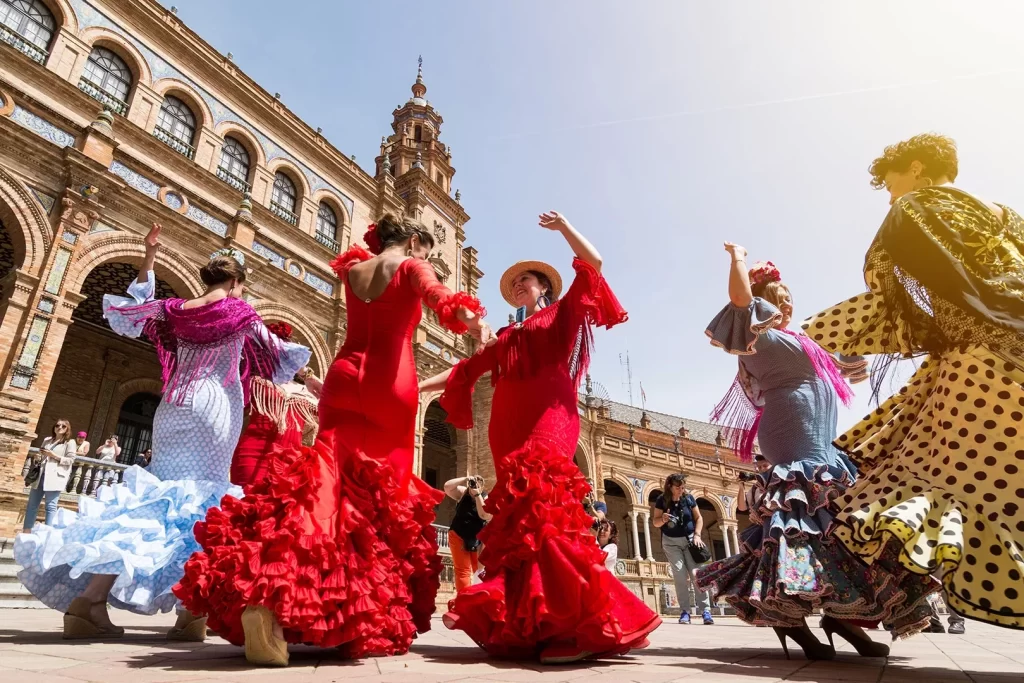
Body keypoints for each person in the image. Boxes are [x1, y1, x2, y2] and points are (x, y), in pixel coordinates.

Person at [174, 214, 490, 666]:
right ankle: (349, 609)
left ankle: (269, 597)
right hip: (390, 382)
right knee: (381, 500)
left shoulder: (354, 269)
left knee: (323, 484)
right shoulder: (411, 266)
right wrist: (472, 321)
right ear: (416, 242)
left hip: (344, 375)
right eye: (425, 251)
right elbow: (443, 300)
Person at [15, 223, 310, 641]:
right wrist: (309, 379)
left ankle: (90, 601)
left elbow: (136, 309)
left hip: (171, 407)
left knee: (154, 499)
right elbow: (274, 352)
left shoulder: (175, 311)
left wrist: (150, 255)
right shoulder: (239, 310)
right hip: (213, 407)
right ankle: (191, 612)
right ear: (236, 282)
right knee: (203, 504)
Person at [801, 133, 1024, 631]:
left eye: (891, 182)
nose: (890, 195)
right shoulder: (1006, 214)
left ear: (917, 168)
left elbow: (894, 298)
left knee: (939, 484)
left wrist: (838, 339)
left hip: (978, 365)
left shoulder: (916, 209)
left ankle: (858, 604)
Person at [419, 211, 660, 663]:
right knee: (520, 525)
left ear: (544, 287)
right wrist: (414, 387)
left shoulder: (562, 315)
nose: (518, 288)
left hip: (551, 417)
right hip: (506, 428)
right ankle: (535, 622)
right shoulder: (507, 334)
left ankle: (570, 625)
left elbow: (596, 264)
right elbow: (464, 371)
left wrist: (565, 226)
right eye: (514, 286)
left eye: (526, 281)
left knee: (545, 507)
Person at [694, 250, 938, 660]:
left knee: (839, 525)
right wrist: (737, 259)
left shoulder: (804, 338)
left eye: (790, 298)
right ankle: (791, 617)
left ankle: (843, 615)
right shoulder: (760, 337)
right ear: (764, 301)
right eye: (779, 297)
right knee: (802, 525)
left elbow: (848, 359)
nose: (788, 304)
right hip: (792, 436)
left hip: (824, 441)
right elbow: (739, 301)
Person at [230, 321, 321, 486]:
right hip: (251, 456)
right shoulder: (253, 381)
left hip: (290, 465)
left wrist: (308, 375)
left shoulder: (308, 392)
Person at [653, 473, 713, 625]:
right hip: (671, 542)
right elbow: (655, 522)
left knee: (696, 575)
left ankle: (705, 610)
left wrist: (698, 535)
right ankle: (685, 611)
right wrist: (663, 519)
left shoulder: (689, 498)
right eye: (678, 487)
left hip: (690, 541)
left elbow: (698, 518)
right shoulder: (662, 500)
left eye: (683, 487)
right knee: (679, 576)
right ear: (670, 486)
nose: (681, 489)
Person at [22, 419, 77, 531]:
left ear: (67, 429)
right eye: (57, 425)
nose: (59, 427)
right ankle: (26, 531)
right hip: (40, 476)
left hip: (55, 477)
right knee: (32, 506)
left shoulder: (69, 442)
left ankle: (47, 533)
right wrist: (37, 458)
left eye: (63, 426)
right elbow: (41, 456)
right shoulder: (47, 440)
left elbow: (71, 460)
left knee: (50, 506)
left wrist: (53, 455)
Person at [443, 475, 491, 593]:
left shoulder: (485, 497)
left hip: (477, 538)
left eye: (477, 485)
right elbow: (447, 487)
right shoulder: (464, 493)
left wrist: (477, 494)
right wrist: (465, 479)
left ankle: (479, 596)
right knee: (462, 571)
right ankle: (463, 600)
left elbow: (484, 515)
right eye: (472, 484)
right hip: (458, 533)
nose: (474, 486)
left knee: (479, 570)